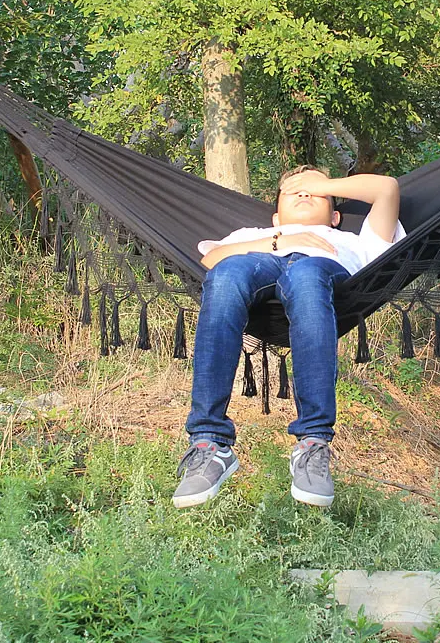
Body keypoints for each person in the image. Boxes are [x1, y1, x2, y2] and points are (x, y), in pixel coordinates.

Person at [173, 165, 404, 509]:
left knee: (307, 276)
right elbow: (212, 259)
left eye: (316, 192)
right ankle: (209, 443)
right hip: (260, 259)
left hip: (320, 270)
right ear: (276, 217)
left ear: (336, 217)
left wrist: (323, 183)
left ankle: (313, 443)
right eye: (293, 191)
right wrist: (281, 240)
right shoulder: (254, 234)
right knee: (225, 276)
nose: (305, 192)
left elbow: (386, 188)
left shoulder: (355, 239)